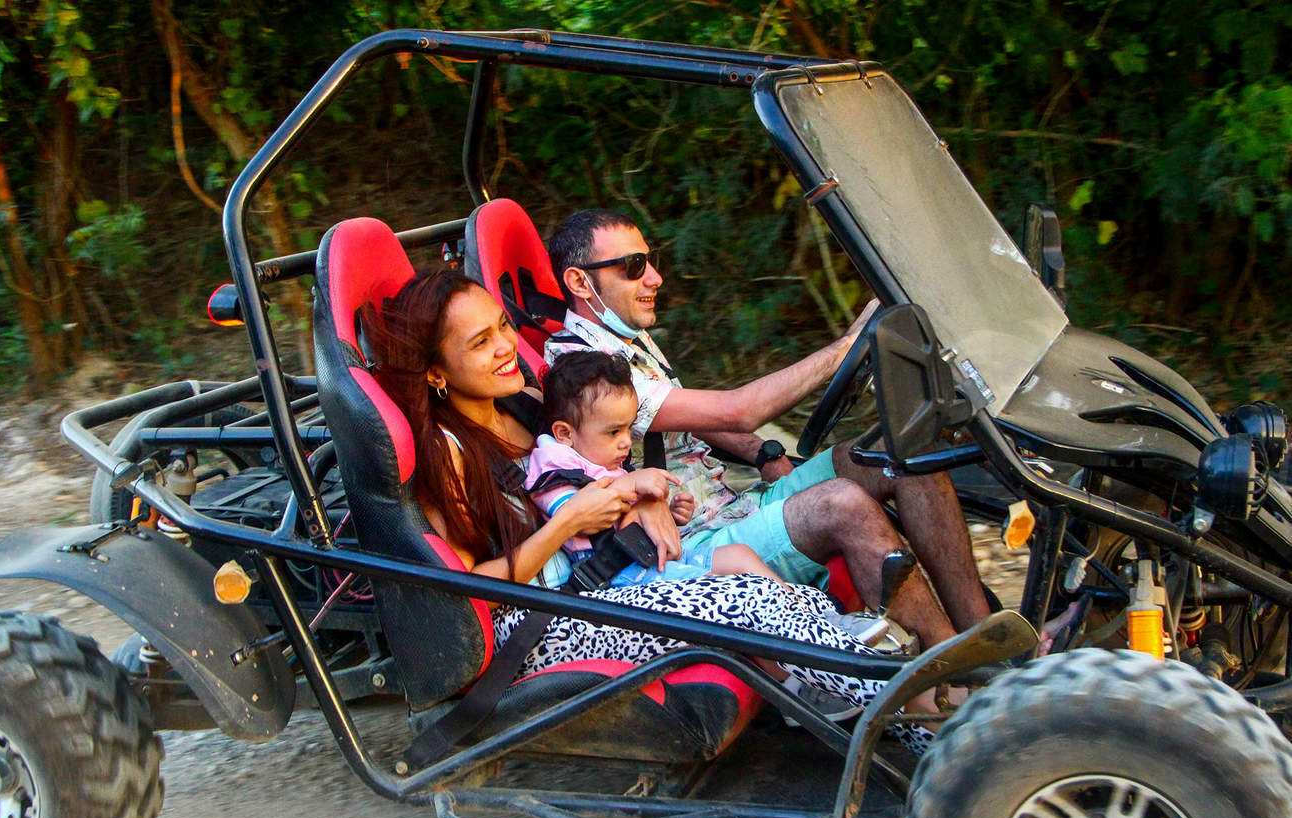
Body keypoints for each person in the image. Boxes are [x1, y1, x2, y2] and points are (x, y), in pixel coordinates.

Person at [362, 266, 929, 738]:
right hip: (537, 623)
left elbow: (597, 468)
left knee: (755, 581)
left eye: (503, 326)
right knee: (747, 600)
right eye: (479, 343)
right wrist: (566, 524)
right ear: (436, 372)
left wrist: (642, 498)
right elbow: (460, 591)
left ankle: (895, 694)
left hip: (597, 583)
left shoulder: (526, 403)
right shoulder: (450, 452)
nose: (507, 347)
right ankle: (910, 710)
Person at [545, 209, 991, 649]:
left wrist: (763, 453)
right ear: (580, 282)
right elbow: (736, 412)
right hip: (693, 546)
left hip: (734, 506)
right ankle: (955, 666)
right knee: (843, 503)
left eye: (651, 260)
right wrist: (847, 345)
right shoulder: (584, 372)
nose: (655, 277)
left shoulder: (627, 339)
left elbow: (688, 414)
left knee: (904, 453)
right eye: (633, 266)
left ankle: (984, 634)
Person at [527, 349, 786, 587]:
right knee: (723, 585)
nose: (626, 442)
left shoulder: (601, 460)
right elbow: (579, 520)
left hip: (645, 560)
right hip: (616, 575)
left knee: (740, 555)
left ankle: (797, 610)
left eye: (629, 428)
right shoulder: (555, 467)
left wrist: (669, 515)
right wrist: (629, 484)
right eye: (614, 432)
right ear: (565, 433)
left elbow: (631, 518)